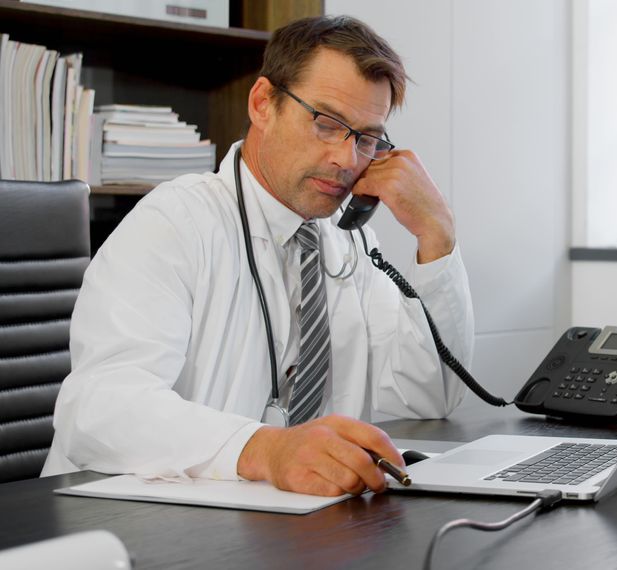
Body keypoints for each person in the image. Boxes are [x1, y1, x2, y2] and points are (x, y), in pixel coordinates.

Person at [41, 15, 474, 497]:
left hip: (287, 524)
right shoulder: (174, 220)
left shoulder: (347, 240)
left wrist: (437, 234)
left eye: (367, 138)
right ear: (263, 103)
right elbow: (99, 408)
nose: (347, 160)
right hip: (125, 526)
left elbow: (428, 396)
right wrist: (265, 449)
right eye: (327, 124)